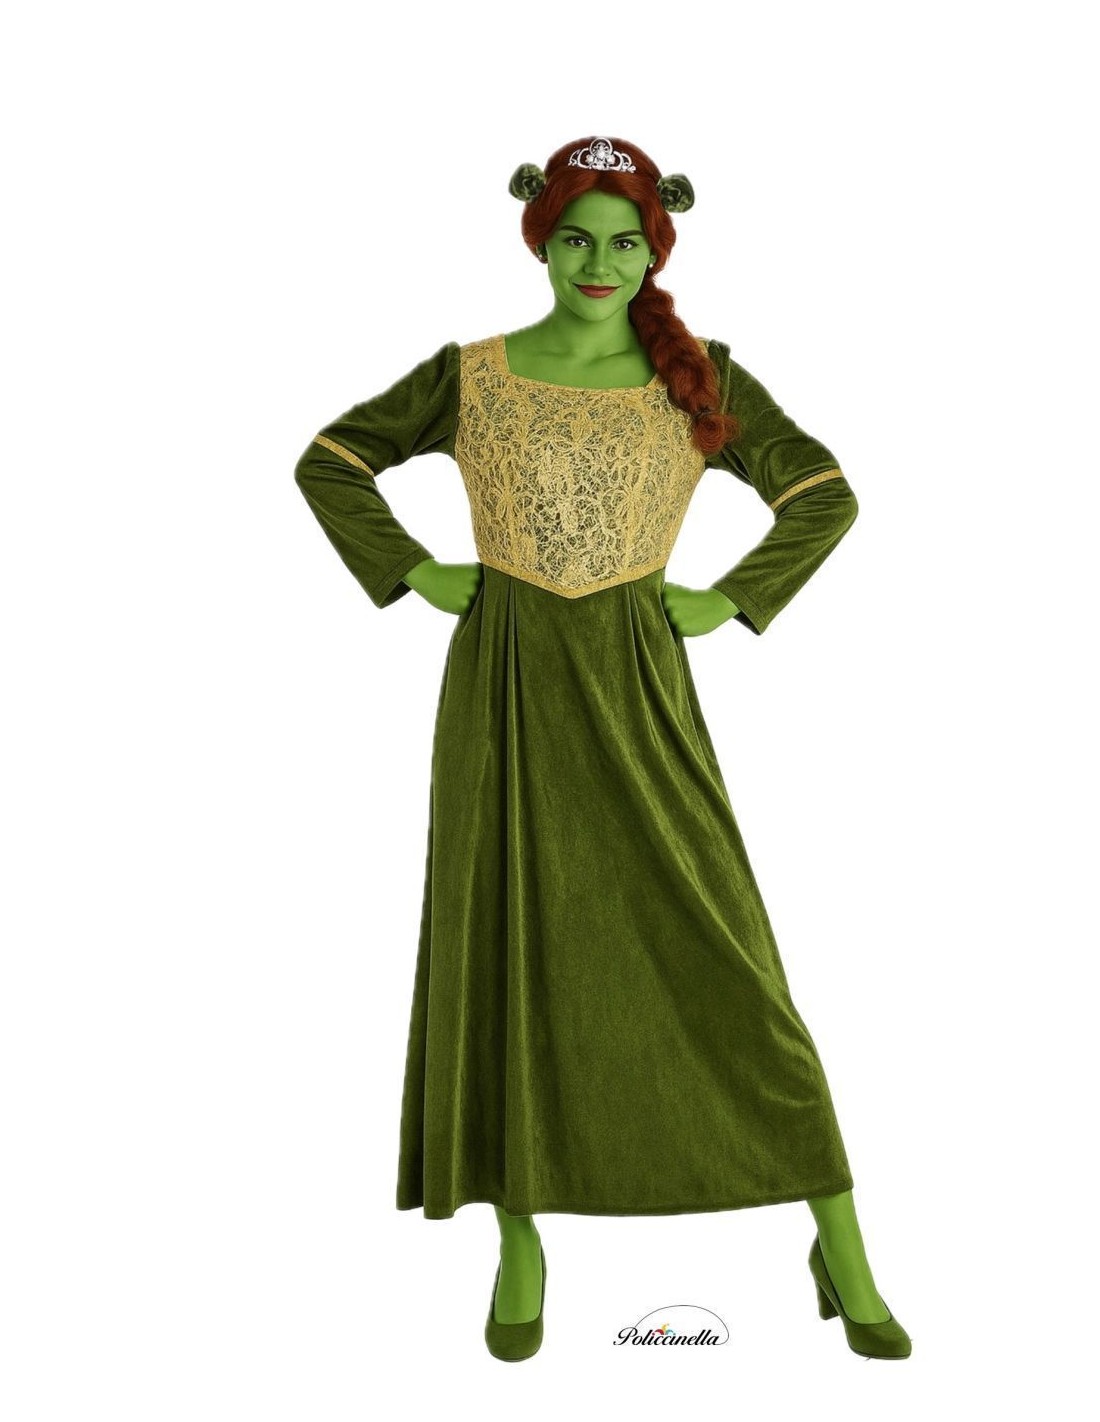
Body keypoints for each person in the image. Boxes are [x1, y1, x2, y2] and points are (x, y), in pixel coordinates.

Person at [293, 134, 912, 1363]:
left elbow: (820, 491)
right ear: (539, 238)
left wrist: (731, 598)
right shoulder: (469, 375)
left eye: (624, 242)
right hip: (503, 691)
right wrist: (411, 570)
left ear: (653, 249)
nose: (598, 262)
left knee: (726, 961)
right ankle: (519, 1238)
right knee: (509, 946)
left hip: (639, 691)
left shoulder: (700, 376)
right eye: (576, 237)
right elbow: (332, 462)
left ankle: (839, 1243)